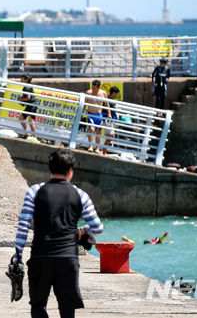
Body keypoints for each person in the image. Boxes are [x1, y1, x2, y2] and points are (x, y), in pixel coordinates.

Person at [13, 148, 104, 318]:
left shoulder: (35, 191)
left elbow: (23, 226)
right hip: (67, 258)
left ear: (50, 169)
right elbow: (98, 228)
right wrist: (82, 231)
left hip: (41, 256)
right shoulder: (81, 195)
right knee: (67, 308)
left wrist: (18, 255)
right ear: (70, 171)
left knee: (38, 305)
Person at [85, 80, 109, 153]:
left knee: (98, 132)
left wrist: (109, 113)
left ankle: (97, 148)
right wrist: (82, 112)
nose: (93, 89)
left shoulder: (103, 93)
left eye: (95, 88)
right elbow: (85, 103)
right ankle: (90, 146)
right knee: (91, 129)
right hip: (90, 114)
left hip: (99, 115)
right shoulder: (89, 92)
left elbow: (107, 104)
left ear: (99, 87)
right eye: (92, 87)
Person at [18, 74, 38, 141]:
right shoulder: (27, 86)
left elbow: (28, 98)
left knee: (31, 121)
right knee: (21, 118)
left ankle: (35, 137)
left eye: (22, 78)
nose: (21, 79)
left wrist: (20, 99)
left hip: (32, 106)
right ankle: (27, 134)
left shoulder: (27, 87)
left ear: (26, 80)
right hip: (30, 105)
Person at [102, 86, 121, 153]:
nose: (117, 95)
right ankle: (104, 151)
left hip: (110, 120)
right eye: (117, 93)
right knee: (111, 136)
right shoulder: (108, 100)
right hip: (107, 120)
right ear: (113, 93)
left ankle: (104, 151)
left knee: (110, 136)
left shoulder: (111, 100)